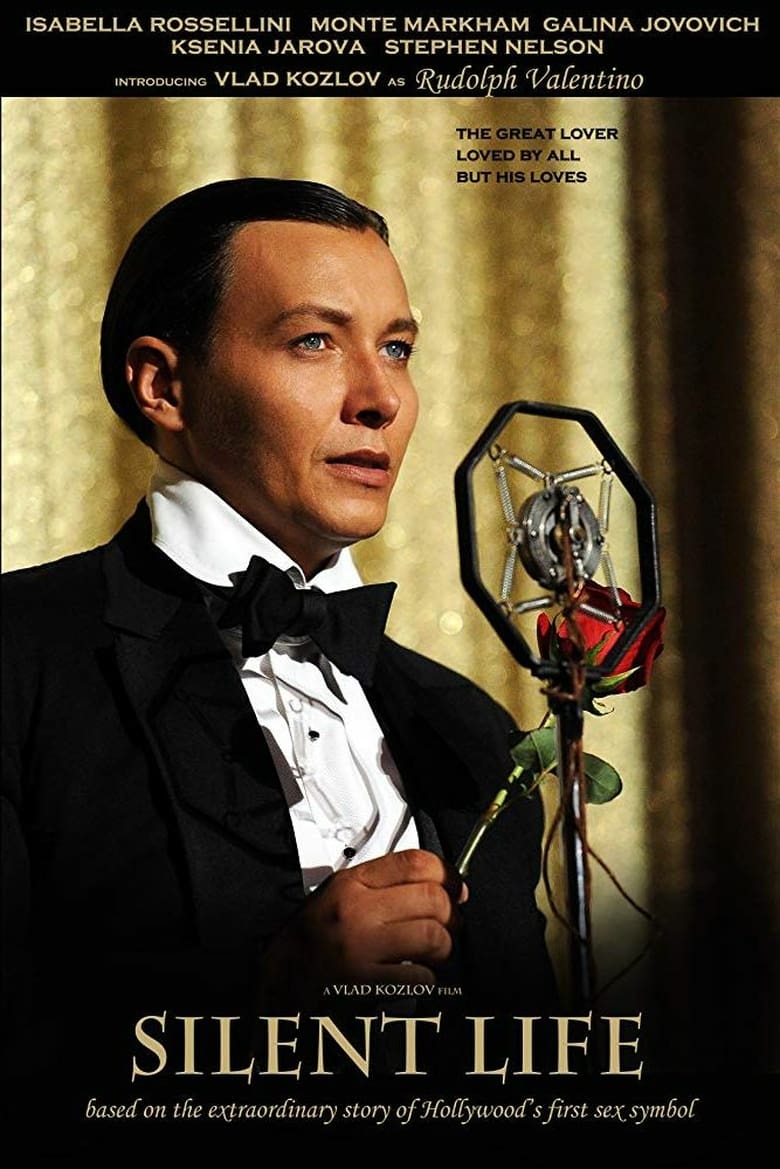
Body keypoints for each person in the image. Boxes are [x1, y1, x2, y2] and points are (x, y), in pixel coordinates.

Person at [1, 178, 556, 1148]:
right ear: (163, 385)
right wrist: (263, 997)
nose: (380, 398)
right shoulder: (19, 655)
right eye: (313, 341)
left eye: (397, 348)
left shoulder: (470, 728)